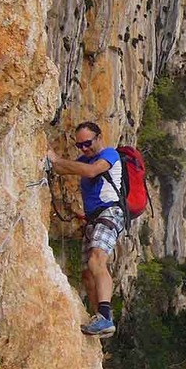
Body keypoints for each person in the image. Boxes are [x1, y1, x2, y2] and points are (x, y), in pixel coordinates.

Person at [46, 121, 123, 338]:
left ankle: (105, 316)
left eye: (87, 143)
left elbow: (91, 171)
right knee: (88, 275)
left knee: (96, 260)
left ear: (99, 137)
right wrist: (46, 153)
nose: (84, 148)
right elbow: (61, 168)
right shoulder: (84, 160)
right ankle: (98, 318)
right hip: (93, 219)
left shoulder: (109, 155)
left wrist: (57, 159)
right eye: (80, 145)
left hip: (110, 213)